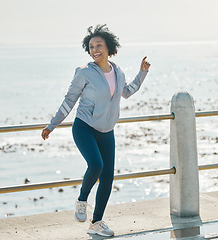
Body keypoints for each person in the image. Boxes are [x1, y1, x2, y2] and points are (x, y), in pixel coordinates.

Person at [41, 24, 151, 237]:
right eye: (91, 46)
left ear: (109, 47)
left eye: (99, 45)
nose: (94, 49)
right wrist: (52, 125)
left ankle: (96, 223)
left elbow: (127, 92)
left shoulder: (118, 71)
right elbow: (69, 101)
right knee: (96, 165)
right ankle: (82, 200)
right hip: (84, 127)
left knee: (108, 178)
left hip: (107, 131)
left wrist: (142, 73)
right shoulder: (84, 73)